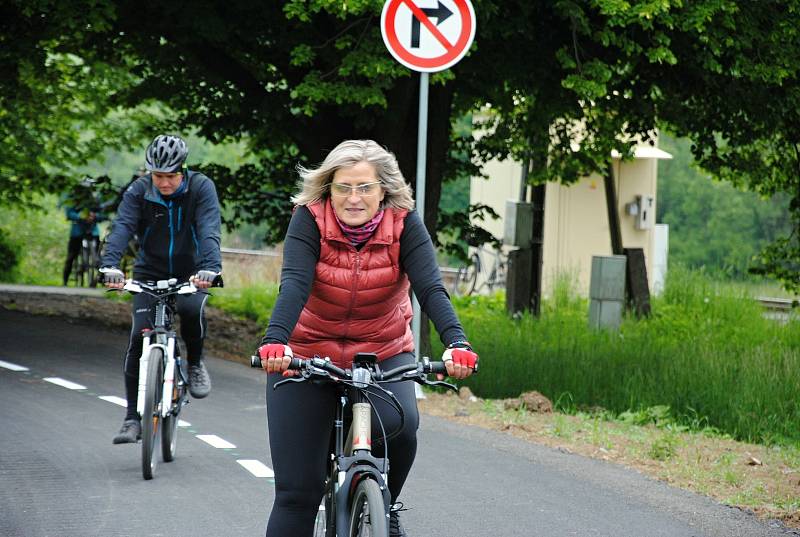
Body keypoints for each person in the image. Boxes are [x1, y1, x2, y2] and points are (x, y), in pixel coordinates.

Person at [256, 139, 479, 537]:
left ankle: (384, 505)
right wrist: (277, 341)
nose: (353, 198)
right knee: (296, 495)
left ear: (384, 191)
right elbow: (294, 284)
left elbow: (430, 288)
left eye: (365, 188)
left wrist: (457, 342)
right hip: (308, 352)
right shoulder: (309, 219)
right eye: (343, 187)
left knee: (403, 426)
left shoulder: (405, 223)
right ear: (329, 189)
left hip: (381, 352)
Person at [100, 134, 222, 444]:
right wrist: (109, 265)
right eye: (158, 176)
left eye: (170, 176)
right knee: (138, 339)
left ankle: (194, 363)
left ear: (183, 170)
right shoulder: (139, 191)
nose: (164, 183)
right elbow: (122, 227)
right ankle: (131, 419)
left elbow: (209, 228)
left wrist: (211, 267)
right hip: (149, 272)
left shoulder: (200, 188)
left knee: (192, 310)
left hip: (193, 272)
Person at [61, 178, 107, 286]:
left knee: (98, 256)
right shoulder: (74, 199)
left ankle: (102, 278)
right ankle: (65, 280)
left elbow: (103, 214)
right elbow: (69, 213)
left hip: (92, 231)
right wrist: (81, 216)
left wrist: (94, 216)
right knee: (71, 256)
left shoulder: (96, 200)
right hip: (77, 231)